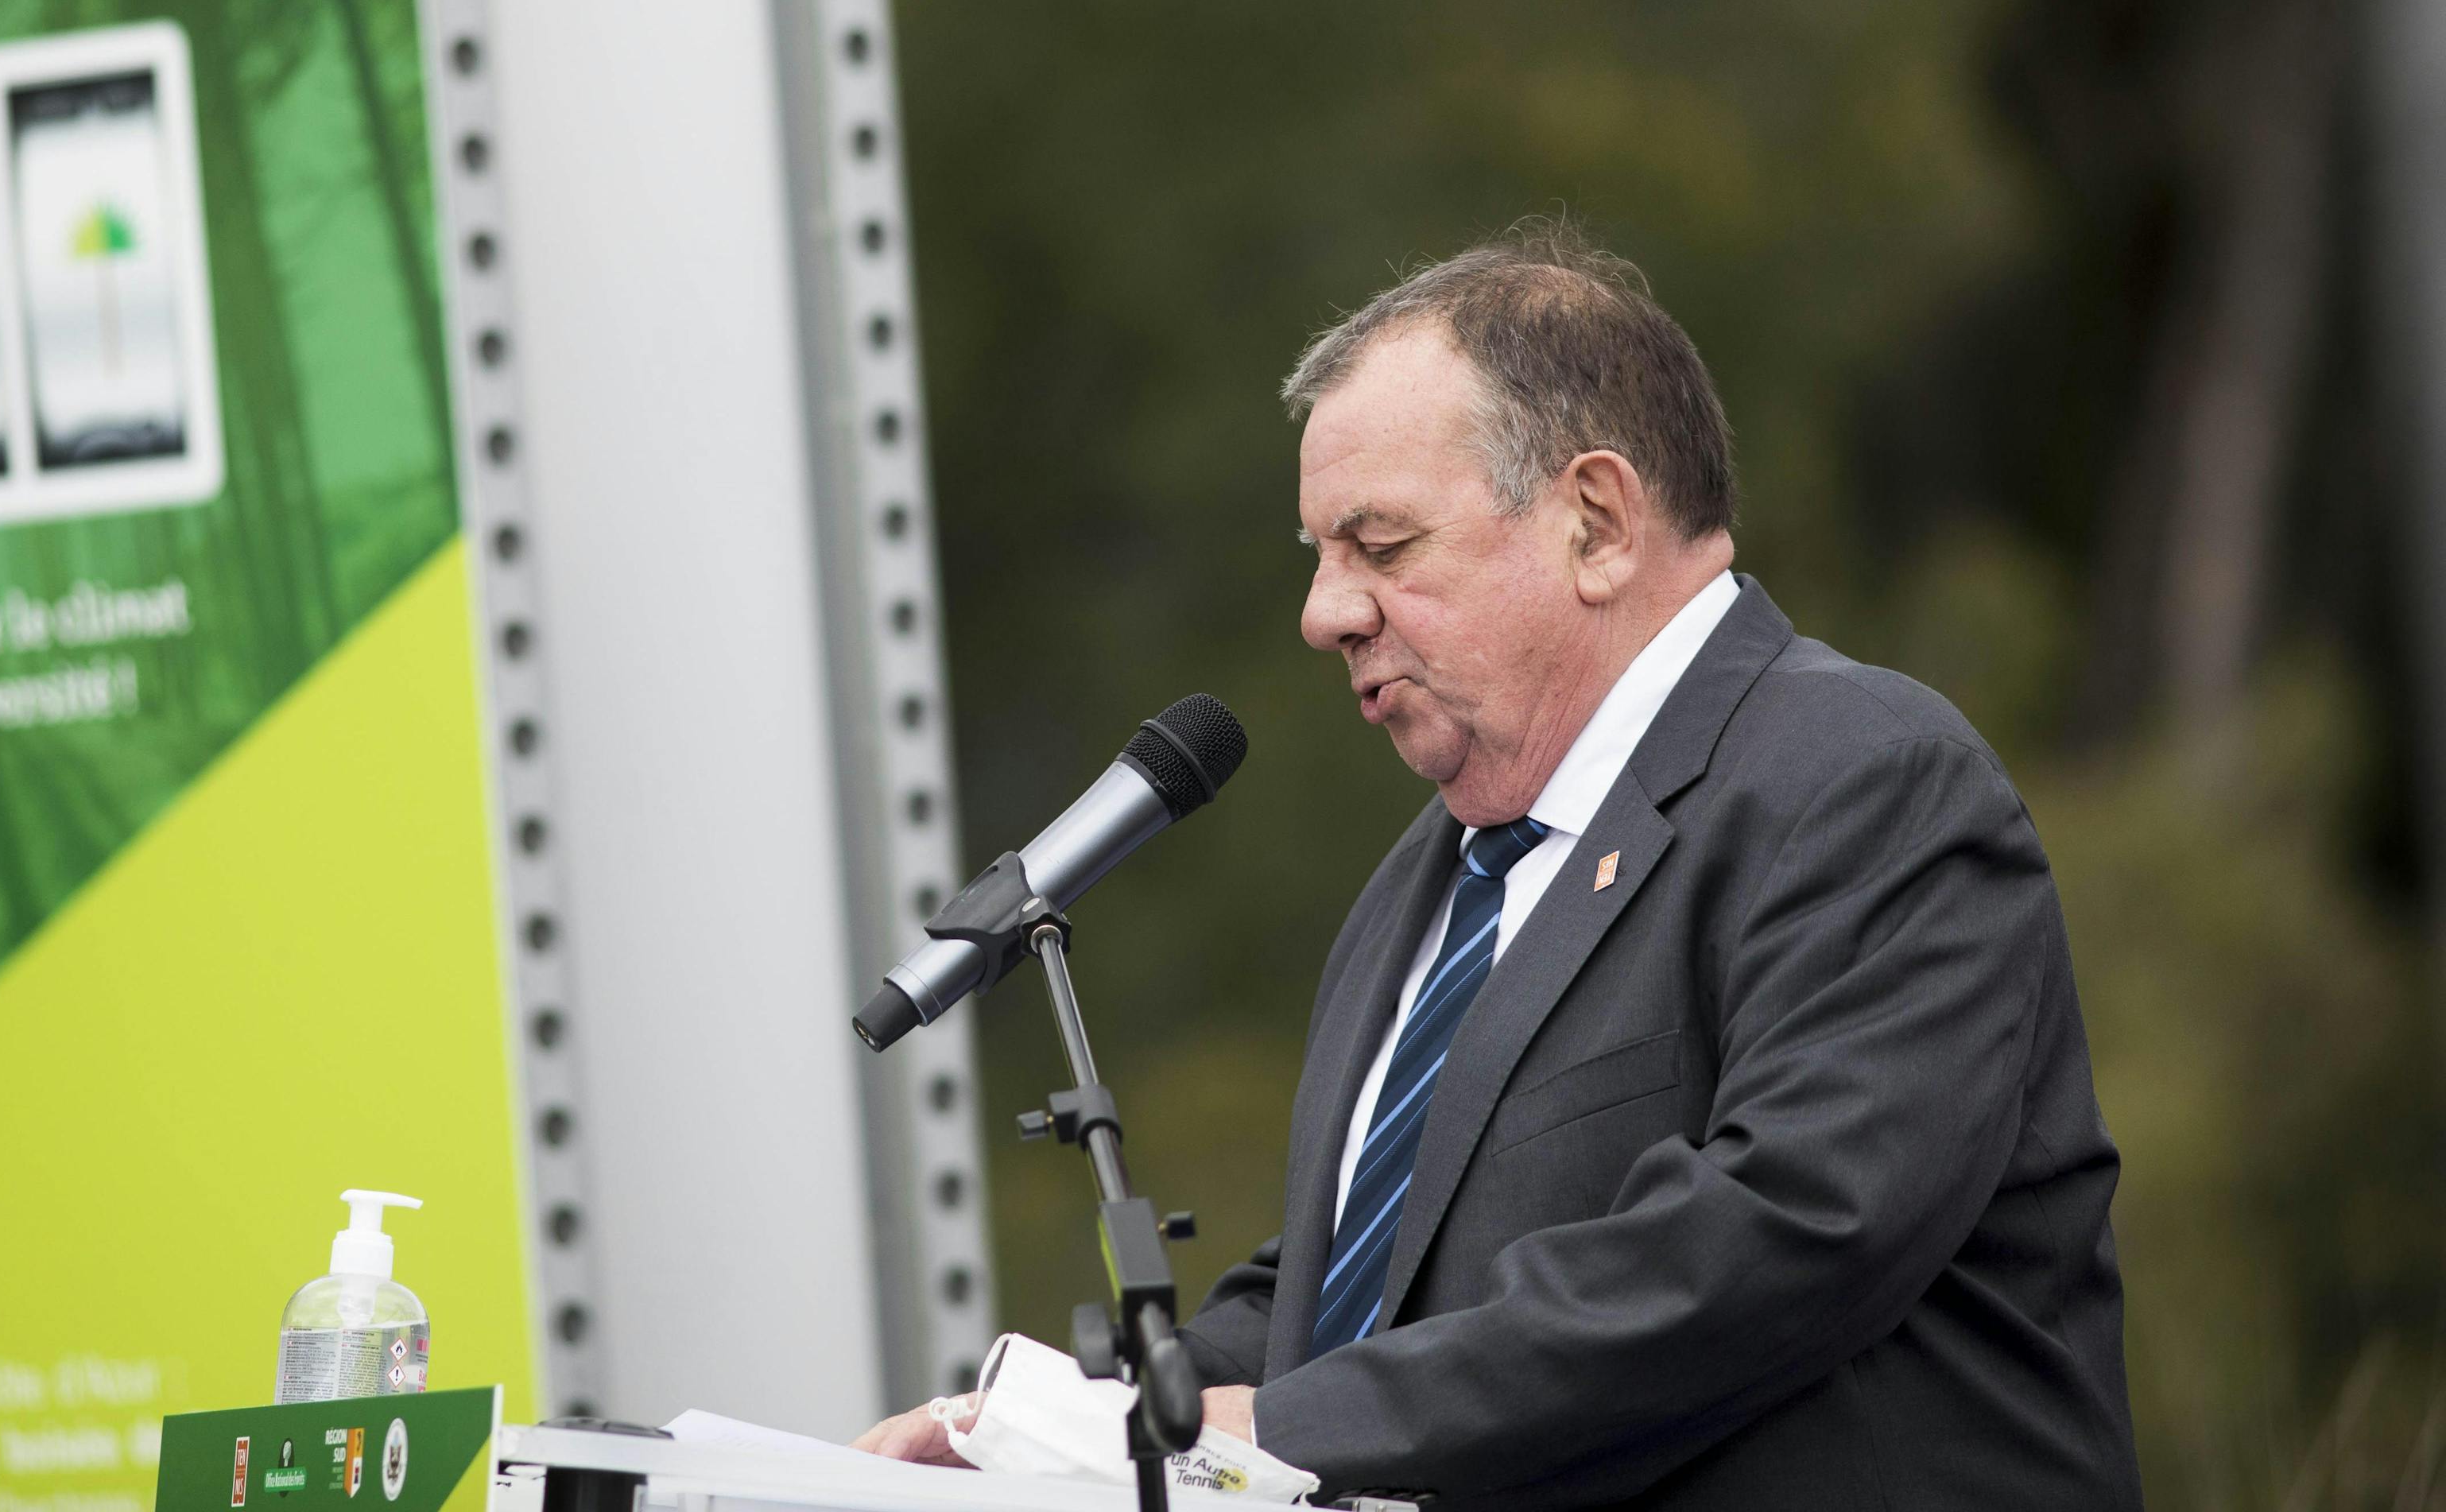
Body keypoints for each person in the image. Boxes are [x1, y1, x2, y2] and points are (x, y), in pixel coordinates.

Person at [856, 222, 2140, 1508]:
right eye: (1321, 556)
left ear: (1595, 522)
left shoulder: (1863, 781)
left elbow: (1779, 1240)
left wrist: (1277, 1430)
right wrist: (1062, 1434)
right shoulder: (1427, 886)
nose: (1326, 612)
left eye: (1383, 546)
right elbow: (1351, 1291)